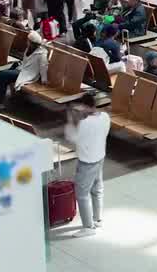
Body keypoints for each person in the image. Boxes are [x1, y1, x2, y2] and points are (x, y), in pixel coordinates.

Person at [64, 93, 110, 236]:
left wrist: (71, 120)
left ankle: (88, 227)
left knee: (82, 194)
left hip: (87, 161)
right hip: (100, 156)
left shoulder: (83, 124)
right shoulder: (105, 117)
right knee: (97, 189)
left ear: (84, 106)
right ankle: (97, 219)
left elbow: (71, 137)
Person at [0, 31, 48, 105]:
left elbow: (43, 67)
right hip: (22, 70)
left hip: (29, 74)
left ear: (32, 43)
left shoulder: (42, 54)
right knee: (4, 79)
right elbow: (25, 62)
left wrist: (44, 80)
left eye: (28, 40)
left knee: (4, 74)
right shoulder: (28, 49)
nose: (27, 42)